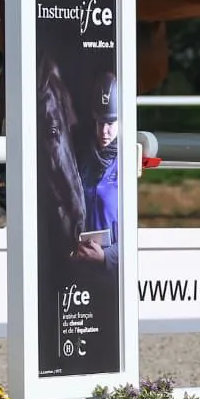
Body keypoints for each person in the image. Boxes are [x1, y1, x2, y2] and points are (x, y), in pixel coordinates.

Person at [75, 72, 121, 273]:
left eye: (110, 124)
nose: (104, 131)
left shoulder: (125, 165)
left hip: (112, 271)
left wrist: (105, 257)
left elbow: (135, 237)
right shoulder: (84, 161)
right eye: (100, 123)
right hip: (83, 264)